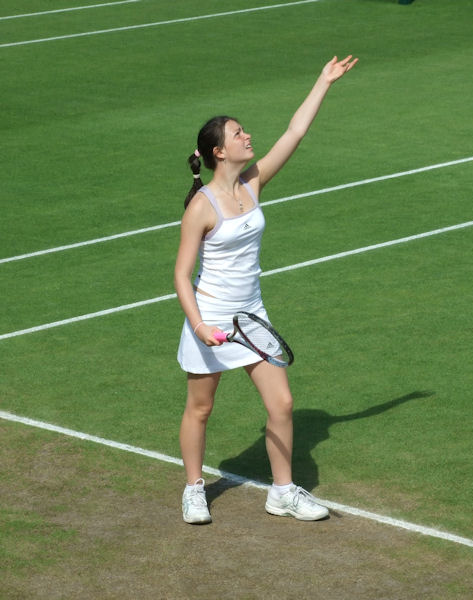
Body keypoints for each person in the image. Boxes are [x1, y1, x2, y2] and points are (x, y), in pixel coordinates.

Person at [174, 55, 358, 524]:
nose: (247, 136)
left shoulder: (253, 184)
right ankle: (194, 489)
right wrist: (200, 326)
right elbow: (180, 274)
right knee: (201, 407)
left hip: (252, 316)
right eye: (237, 134)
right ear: (218, 151)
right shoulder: (202, 206)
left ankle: (282, 492)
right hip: (212, 319)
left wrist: (323, 81)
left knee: (283, 403)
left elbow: (294, 133)